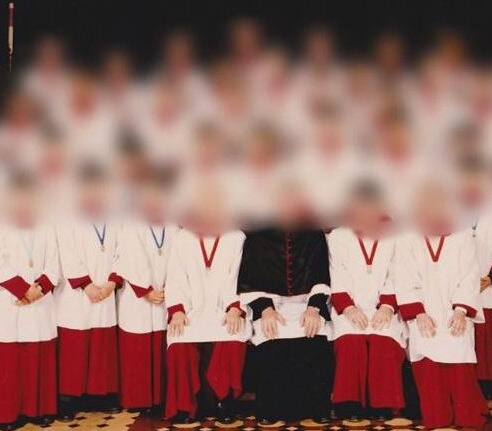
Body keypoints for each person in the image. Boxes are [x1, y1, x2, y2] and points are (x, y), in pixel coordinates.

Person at [237, 185, 333, 425]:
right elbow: (249, 278)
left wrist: (314, 308)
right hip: (271, 306)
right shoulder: (259, 236)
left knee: (314, 330)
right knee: (270, 332)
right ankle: (271, 408)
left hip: (307, 305)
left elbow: (323, 275)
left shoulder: (313, 234)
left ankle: (317, 407)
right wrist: (265, 309)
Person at [395, 182, 488, 429]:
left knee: (459, 366)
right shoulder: (407, 238)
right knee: (429, 369)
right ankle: (438, 418)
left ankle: (466, 416)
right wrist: (418, 314)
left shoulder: (463, 235)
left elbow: (469, 275)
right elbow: (403, 278)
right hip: (424, 314)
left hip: (455, 312)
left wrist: (460, 311)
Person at [165, 185, 250, 424]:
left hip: (225, 309)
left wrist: (235, 307)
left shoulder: (236, 236)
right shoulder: (184, 237)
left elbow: (241, 276)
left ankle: (224, 399)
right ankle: (184, 405)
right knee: (179, 339)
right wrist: (178, 311)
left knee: (233, 334)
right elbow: (175, 277)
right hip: (192, 311)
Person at [0, 172, 59, 430]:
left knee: (36, 354)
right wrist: (22, 290)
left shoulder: (45, 223)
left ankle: (36, 409)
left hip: (38, 299)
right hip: (7, 299)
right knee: (8, 358)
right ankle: (5, 414)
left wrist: (39, 287)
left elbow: (54, 260)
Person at [328, 182, 407, 421]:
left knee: (384, 340)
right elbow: (336, 272)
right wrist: (349, 307)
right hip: (349, 308)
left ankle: (381, 404)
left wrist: (387, 305)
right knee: (351, 341)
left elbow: (398, 272)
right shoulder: (338, 235)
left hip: (385, 307)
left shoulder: (396, 234)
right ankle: (348, 403)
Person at [55, 164, 122, 419]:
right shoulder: (67, 216)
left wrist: (112, 282)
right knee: (76, 343)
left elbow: (122, 250)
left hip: (105, 290)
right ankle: (69, 397)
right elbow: (67, 252)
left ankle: (100, 395)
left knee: (101, 344)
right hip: (77, 294)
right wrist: (86, 284)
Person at [115, 170, 175, 413]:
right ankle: (138, 400)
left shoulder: (172, 224)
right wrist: (146, 290)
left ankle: (158, 397)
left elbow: (178, 258)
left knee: (159, 347)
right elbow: (130, 258)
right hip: (138, 297)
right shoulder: (131, 223)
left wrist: (170, 287)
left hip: (164, 293)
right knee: (138, 350)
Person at [456, 158, 492, 399]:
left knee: (491, 334)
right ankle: (471, 378)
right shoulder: (454, 209)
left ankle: (490, 380)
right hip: (463, 282)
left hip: (490, 282)